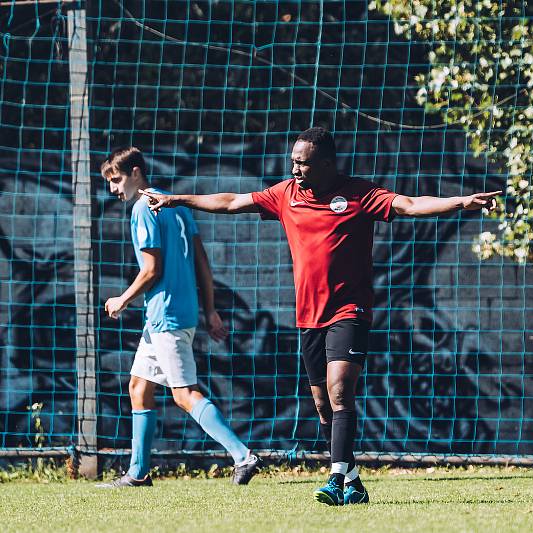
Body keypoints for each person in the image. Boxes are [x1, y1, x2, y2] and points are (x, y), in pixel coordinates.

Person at [141, 127, 501, 505]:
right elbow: (232, 201)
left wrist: (462, 202)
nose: (294, 168)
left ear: (326, 164)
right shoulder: (285, 195)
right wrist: (178, 199)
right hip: (308, 316)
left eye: (303, 162)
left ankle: (334, 478)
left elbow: (409, 205)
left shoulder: (360, 194)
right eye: (293, 161)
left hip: (350, 311)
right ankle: (353, 480)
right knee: (322, 404)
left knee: (341, 390)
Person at [97, 147, 261, 488]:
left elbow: (151, 270)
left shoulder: (144, 208)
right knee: (139, 387)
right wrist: (210, 309)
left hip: (166, 314)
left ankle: (242, 455)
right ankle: (138, 473)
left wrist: (122, 299)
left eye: (117, 180)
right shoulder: (173, 203)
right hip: (175, 313)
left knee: (184, 394)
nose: (114, 189)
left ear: (137, 173)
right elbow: (201, 260)